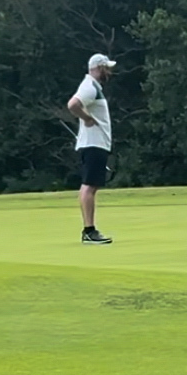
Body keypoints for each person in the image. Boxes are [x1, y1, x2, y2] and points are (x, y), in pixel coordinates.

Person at [67, 53, 116, 243]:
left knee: (91, 186)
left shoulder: (94, 87)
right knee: (89, 186)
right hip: (93, 143)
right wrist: (86, 118)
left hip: (96, 143)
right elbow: (73, 104)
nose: (109, 72)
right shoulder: (90, 86)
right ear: (99, 68)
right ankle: (89, 230)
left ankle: (89, 230)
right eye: (107, 68)